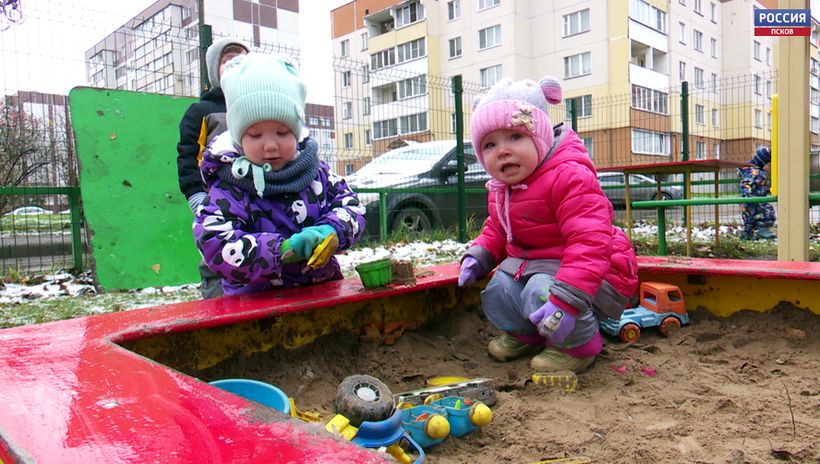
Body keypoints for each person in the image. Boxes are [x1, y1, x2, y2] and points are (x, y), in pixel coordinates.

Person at [457, 76, 639, 374]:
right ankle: (527, 334)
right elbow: (497, 229)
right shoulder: (503, 189)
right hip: (542, 266)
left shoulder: (569, 177)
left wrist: (566, 301)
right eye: (490, 144)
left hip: (601, 272)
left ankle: (579, 346)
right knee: (500, 286)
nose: (502, 150)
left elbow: (590, 243)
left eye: (515, 137)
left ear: (539, 138)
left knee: (540, 289)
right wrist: (479, 255)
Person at [192, 53, 366, 296]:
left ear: (297, 131)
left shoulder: (316, 173)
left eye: (282, 132)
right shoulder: (230, 187)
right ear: (238, 137)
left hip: (322, 293)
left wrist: (333, 230)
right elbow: (214, 242)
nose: (271, 145)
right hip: (255, 305)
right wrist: (281, 250)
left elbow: (351, 205)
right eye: (255, 135)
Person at [177, 37, 249, 298]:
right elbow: (187, 155)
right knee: (217, 252)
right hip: (216, 199)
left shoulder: (256, 103)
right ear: (213, 71)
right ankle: (216, 303)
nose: (235, 65)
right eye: (227, 61)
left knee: (252, 252)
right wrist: (196, 194)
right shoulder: (203, 111)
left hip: (253, 198)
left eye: (242, 59)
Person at [738, 147, 776, 240]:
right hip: (753, 200)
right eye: (769, 164)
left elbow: (758, 185)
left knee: (750, 221)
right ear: (763, 162)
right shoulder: (756, 173)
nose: (771, 167)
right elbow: (746, 184)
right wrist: (748, 196)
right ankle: (763, 230)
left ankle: (746, 237)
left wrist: (766, 190)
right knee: (768, 212)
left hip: (750, 200)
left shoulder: (756, 172)